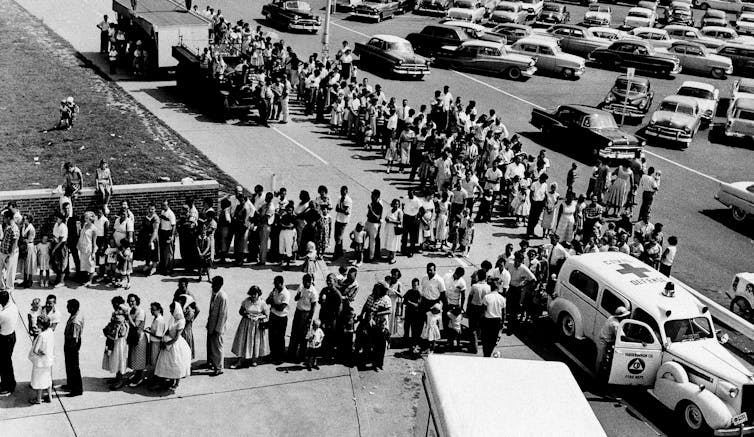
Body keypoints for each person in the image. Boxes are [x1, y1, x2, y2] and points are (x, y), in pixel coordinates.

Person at [153, 301, 192, 390]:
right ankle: (170, 379)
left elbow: (176, 338)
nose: (171, 313)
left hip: (175, 344)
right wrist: (164, 338)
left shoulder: (181, 321)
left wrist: (167, 344)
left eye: (172, 311)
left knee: (176, 362)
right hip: (168, 340)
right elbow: (168, 329)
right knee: (167, 362)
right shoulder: (173, 318)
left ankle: (177, 382)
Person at [231, 286, 269, 368]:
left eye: (255, 294)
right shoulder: (246, 301)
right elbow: (241, 311)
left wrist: (258, 317)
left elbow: (266, 315)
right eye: (251, 294)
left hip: (257, 325)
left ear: (258, 294)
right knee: (243, 341)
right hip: (246, 324)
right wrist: (246, 315)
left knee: (255, 341)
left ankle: (254, 359)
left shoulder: (262, 303)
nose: (253, 296)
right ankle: (240, 360)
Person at [288, 274, 318, 362]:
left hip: (306, 314)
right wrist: (298, 295)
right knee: (294, 334)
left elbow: (313, 307)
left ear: (310, 282)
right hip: (298, 311)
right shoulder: (301, 287)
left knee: (303, 336)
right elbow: (295, 299)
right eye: (303, 282)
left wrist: (309, 319)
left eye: (306, 282)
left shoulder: (313, 292)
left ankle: (301, 356)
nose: (304, 284)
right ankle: (291, 354)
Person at [102, 296, 129, 389]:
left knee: (119, 358)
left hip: (119, 340)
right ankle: (117, 378)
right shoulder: (117, 314)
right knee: (115, 358)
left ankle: (120, 380)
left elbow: (116, 330)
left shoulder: (121, 315)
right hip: (115, 339)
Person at [28, 314, 55, 405]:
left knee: (39, 379)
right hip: (49, 359)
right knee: (48, 377)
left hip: (40, 361)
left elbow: (35, 350)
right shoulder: (50, 331)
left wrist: (40, 352)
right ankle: (50, 396)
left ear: (41, 325)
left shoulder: (41, 336)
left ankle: (38, 399)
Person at [595, 306, 631, 374]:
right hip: (603, 342)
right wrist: (638, 341)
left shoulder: (612, 318)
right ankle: (597, 375)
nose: (626, 317)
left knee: (604, 359)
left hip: (604, 340)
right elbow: (623, 337)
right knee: (600, 360)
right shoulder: (615, 324)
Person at [206, 275, 228, 376]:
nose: (212, 286)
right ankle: (213, 363)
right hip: (211, 324)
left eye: (214, 284)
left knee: (218, 347)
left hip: (217, 327)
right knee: (212, 346)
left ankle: (219, 367)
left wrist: (218, 329)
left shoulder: (222, 296)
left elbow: (223, 314)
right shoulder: (214, 293)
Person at [266, 275, 290, 364]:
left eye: (276, 284)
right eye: (274, 284)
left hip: (281, 318)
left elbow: (281, 308)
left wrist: (273, 303)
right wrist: (271, 299)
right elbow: (267, 301)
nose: (275, 286)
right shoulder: (274, 290)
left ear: (281, 283)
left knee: (280, 338)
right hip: (273, 315)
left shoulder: (286, 293)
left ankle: (280, 357)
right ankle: (273, 354)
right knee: (272, 336)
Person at [126, 294, 148, 387]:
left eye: (133, 301)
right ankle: (136, 375)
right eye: (130, 301)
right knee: (135, 358)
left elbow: (135, 325)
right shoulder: (132, 310)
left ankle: (139, 378)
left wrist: (127, 315)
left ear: (137, 301)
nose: (131, 303)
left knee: (139, 359)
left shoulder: (140, 312)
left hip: (140, 337)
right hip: (133, 336)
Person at [63, 299, 84, 397]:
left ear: (72, 308)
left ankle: (77, 389)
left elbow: (74, 337)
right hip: (70, 342)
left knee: (74, 367)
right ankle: (70, 384)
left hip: (72, 344)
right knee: (69, 365)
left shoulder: (75, 321)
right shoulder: (76, 314)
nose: (67, 308)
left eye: (68, 307)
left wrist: (70, 348)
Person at [481, 285, 505, 357]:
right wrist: (502, 322)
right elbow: (503, 312)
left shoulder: (486, 297)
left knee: (485, 339)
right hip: (497, 320)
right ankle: (490, 353)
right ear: (497, 289)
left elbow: (483, 309)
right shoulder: (502, 298)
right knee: (493, 339)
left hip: (487, 320)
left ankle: (486, 354)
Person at [0, 291, 17, 395]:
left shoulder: (2, 315)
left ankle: (7, 386)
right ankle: (8, 383)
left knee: (4, 364)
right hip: (12, 336)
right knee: (7, 362)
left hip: (4, 339)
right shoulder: (14, 307)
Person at [0, 210, 20, 291]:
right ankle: (2, 287)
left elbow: (14, 244)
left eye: (4, 218)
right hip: (2, 252)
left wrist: (9, 255)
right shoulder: (7, 227)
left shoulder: (15, 228)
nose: (3, 219)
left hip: (10, 254)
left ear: (8, 218)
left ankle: (9, 288)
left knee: (10, 273)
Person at [145, 302, 167, 376]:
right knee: (153, 360)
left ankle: (157, 377)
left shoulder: (159, 320)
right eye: (151, 309)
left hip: (156, 343)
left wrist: (148, 332)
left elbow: (159, 336)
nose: (152, 311)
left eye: (153, 310)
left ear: (159, 310)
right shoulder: (156, 318)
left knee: (155, 360)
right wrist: (151, 329)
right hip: (153, 341)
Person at [158, 201, 177, 275]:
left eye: (165, 205)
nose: (163, 206)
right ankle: (163, 268)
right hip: (162, 233)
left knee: (169, 252)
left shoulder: (171, 214)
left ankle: (169, 269)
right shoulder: (162, 211)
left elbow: (174, 225)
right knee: (163, 252)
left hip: (168, 233)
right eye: (162, 205)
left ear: (168, 205)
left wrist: (172, 235)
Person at [18, 214, 36, 288]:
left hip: (29, 246)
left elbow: (29, 239)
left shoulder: (31, 228)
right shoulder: (24, 227)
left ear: (29, 219)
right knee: (25, 264)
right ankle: (25, 280)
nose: (24, 220)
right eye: (24, 219)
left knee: (29, 264)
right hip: (24, 247)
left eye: (26, 219)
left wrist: (24, 240)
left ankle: (30, 281)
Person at [384, 199, 403, 264]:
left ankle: (393, 257)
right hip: (389, 229)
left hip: (395, 230)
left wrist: (391, 221)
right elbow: (386, 217)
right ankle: (389, 256)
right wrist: (386, 219)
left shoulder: (399, 212)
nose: (396, 205)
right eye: (395, 204)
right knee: (389, 242)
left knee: (394, 243)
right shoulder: (390, 210)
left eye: (397, 204)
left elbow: (400, 222)